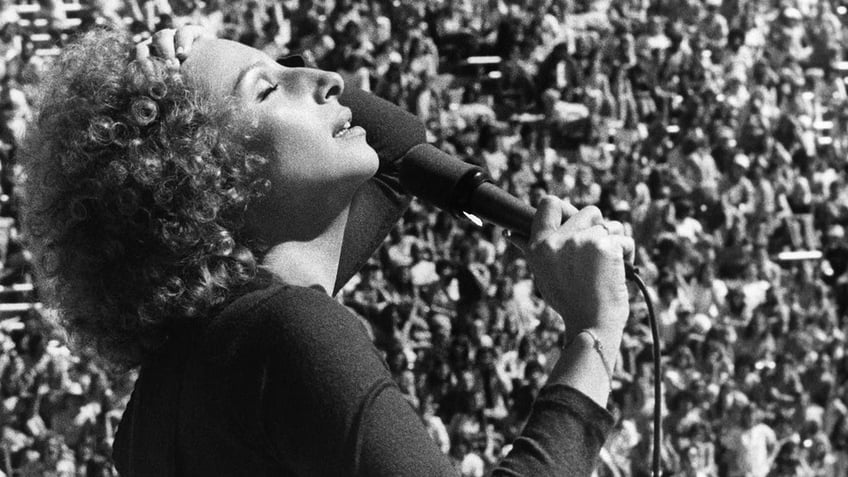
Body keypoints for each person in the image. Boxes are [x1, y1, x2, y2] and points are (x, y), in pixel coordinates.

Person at [21, 25, 634, 476]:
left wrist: (238, 62)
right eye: (268, 89)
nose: (324, 79)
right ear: (203, 175)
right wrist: (594, 333)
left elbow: (396, 155)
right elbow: (396, 152)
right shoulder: (287, 332)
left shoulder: (163, 399)